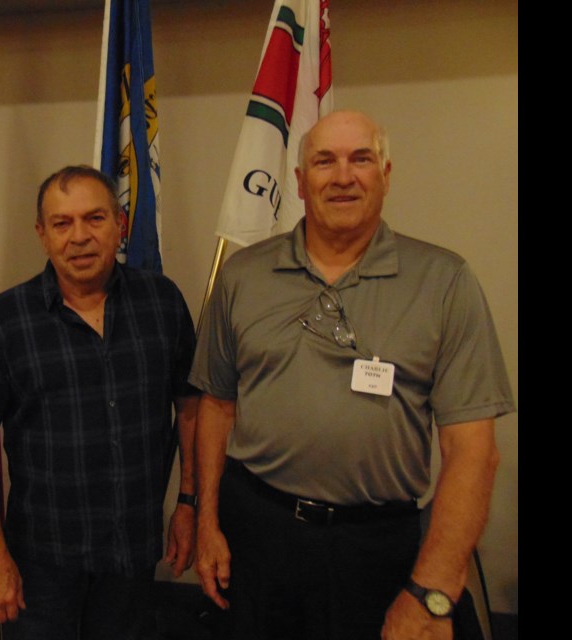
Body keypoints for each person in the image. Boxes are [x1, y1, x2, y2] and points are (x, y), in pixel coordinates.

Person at [190, 110, 515, 640]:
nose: (343, 176)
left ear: (386, 174)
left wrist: (432, 591)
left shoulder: (443, 282)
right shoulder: (243, 275)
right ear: (299, 181)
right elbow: (217, 405)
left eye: (361, 158)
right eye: (324, 161)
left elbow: (473, 453)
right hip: (258, 532)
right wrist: (208, 524)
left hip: (378, 546)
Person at [0, 165, 199, 640]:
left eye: (94, 219)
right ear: (42, 235)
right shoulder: (9, 318)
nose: (79, 237)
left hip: (133, 553)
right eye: (62, 224)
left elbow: (190, 407)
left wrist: (188, 503)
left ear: (119, 224)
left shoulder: (162, 303)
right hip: (41, 561)